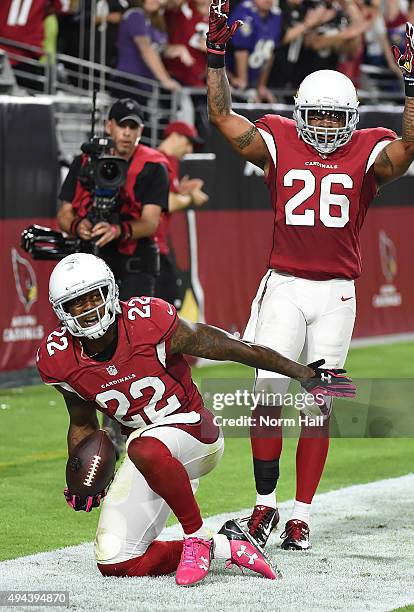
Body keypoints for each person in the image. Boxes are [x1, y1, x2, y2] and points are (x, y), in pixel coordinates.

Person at [207, 4, 414, 551]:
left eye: (335, 116)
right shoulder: (279, 137)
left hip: (336, 294)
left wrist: (413, 87)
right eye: (318, 115)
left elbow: (412, 145)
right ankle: (264, 507)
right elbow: (223, 119)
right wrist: (215, 58)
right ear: (302, 112)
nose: (326, 126)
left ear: (350, 117)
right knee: (266, 395)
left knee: (319, 404)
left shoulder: (369, 147)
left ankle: (301, 515)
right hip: (283, 284)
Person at [35, 252, 356, 586]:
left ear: (111, 292)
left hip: (194, 432)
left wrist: (303, 373)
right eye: (76, 303)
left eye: (93, 296)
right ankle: (227, 545)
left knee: (143, 445)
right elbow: (83, 422)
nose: (87, 309)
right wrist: (81, 472)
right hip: (149, 453)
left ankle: (197, 535)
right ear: (61, 311)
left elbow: (232, 347)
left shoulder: (148, 321)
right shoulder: (59, 359)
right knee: (117, 560)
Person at [58, 97, 170, 455]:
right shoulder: (85, 161)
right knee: (91, 340)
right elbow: (63, 212)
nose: (127, 133)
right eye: (121, 125)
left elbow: (151, 222)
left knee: (136, 341)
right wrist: (82, 225)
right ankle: (96, 418)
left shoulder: (154, 166)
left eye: (134, 127)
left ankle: (143, 415)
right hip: (91, 262)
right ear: (109, 126)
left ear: (141, 131)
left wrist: (119, 230)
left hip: (133, 262)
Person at [156, 120, 208, 308]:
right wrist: (191, 198)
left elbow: (167, 194)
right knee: (166, 305)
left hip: (160, 244)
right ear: (175, 136)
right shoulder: (158, 160)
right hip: (151, 245)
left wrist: (183, 191)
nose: (189, 149)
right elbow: (165, 203)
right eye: (188, 142)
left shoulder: (170, 162)